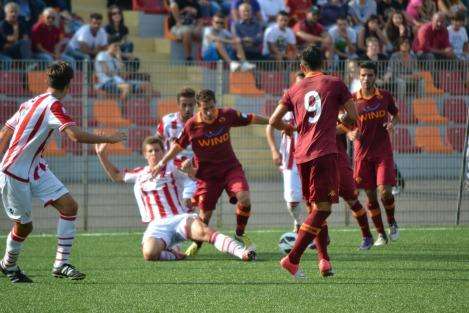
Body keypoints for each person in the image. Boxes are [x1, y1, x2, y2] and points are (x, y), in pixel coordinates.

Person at [0, 61, 127, 283]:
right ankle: (7, 265)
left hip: (35, 167)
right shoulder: (54, 106)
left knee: (69, 206)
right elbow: (75, 135)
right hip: (15, 172)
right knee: (25, 226)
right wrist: (109, 138)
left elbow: (4, 133)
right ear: (69, 84)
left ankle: (60, 265)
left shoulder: (29, 103)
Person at [152, 89, 286, 256]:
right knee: (204, 217)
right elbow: (177, 147)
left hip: (230, 169)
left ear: (215, 104)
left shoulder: (227, 115)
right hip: (207, 177)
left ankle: (239, 233)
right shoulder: (192, 126)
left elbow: (251, 118)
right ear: (199, 108)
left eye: (211, 107)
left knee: (244, 197)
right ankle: (198, 243)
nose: (209, 112)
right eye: (204, 109)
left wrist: (273, 121)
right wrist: (162, 162)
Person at [270, 45, 358, 278]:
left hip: (302, 155)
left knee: (314, 208)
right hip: (324, 152)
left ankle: (324, 260)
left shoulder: (294, 88)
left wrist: (289, 128)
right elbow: (354, 115)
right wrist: (340, 119)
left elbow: (273, 120)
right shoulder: (335, 83)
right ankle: (293, 258)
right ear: (324, 63)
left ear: (302, 67)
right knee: (323, 209)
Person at [94, 136, 256, 262]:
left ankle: (242, 253)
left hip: (180, 219)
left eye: (157, 150)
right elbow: (116, 175)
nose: (154, 154)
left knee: (205, 232)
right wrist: (102, 156)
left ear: (163, 152)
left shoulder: (172, 166)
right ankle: (175, 254)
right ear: (144, 154)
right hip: (157, 225)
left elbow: (196, 176)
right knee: (149, 253)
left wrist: (189, 170)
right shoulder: (139, 174)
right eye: (150, 151)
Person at [347, 61, 400, 247]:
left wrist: (393, 123)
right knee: (370, 196)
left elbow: (395, 114)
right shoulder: (352, 100)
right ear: (358, 77)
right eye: (363, 75)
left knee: (384, 192)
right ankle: (380, 234)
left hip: (383, 152)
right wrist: (349, 133)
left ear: (375, 76)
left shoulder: (384, 96)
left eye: (369, 75)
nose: (366, 78)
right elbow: (343, 122)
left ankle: (392, 222)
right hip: (362, 155)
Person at [265, 71, 306, 233]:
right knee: (292, 201)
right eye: (298, 83)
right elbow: (270, 126)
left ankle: (316, 232)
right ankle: (298, 222)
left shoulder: (315, 105)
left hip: (311, 157)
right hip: (290, 161)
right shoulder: (287, 106)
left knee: (314, 199)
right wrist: (274, 150)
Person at [155, 87, 197, 209]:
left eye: (190, 105)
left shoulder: (200, 124)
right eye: (184, 105)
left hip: (191, 172)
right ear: (178, 104)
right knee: (170, 207)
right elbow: (156, 141)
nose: (187, 109)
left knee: (188, 204)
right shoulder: (168, 121)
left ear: (195, 104)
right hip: (171, 172)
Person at [94, 36, 151, 100]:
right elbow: (107, 72)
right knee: (127, 87)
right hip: (105, 83)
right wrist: (117, 74)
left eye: (118, 46)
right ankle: (121, 106)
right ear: (108, 46)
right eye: (115, 46)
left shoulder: (115, 60)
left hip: (119, 82)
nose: (117, 48)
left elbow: (122, 74)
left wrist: (119, 57)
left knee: (147, 85)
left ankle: (146, 108)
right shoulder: (102, 55)